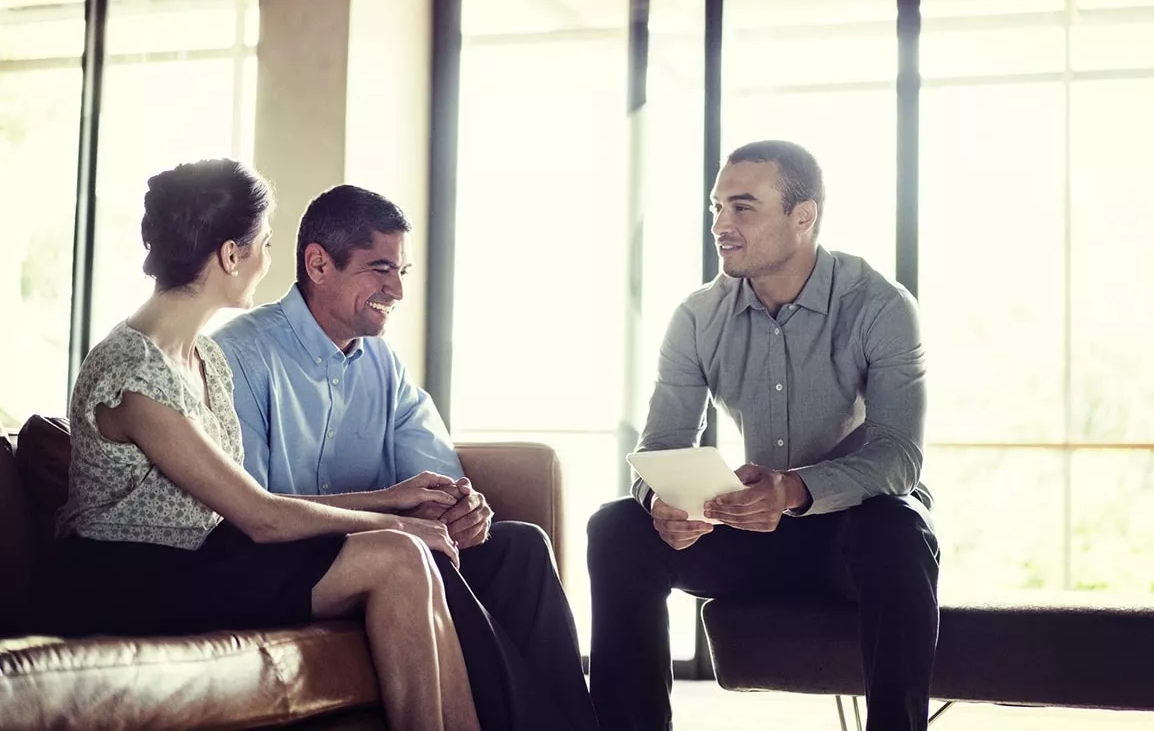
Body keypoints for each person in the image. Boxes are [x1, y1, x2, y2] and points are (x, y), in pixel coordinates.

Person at [52, 159, 480, 731]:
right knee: (402, 555)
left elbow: (252, 506)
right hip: (131, 578)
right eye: (266, 244)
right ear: (231, 256)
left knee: (409, 558)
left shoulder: (203, 361)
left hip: (204, 558)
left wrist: (398, 500)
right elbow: (261, 516)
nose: (269, 261)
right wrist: (396, 520)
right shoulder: (133, 370)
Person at [213, 185, 599, 731]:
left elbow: (436, 477)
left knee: (521, 548)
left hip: (387, 545)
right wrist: (401, 520)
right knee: (421, 555)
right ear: (319, 264)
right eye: (380, 269)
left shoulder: (383, 364)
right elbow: (250, 510)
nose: (396, 289)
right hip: (300, 565)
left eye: (402, 271)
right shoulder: (240, 355)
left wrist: (460, 509)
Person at [587, 140, 940, 731]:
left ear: (804, 217)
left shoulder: (880, 306)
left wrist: (793, 489)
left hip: (851, 539)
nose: (721, 225)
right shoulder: (699, 317)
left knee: (898, 526)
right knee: (617, 527)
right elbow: (660, 447)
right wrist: (664, 502)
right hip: (750, 530)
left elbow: (898, 456)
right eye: (716, 208)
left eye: (743, 208)